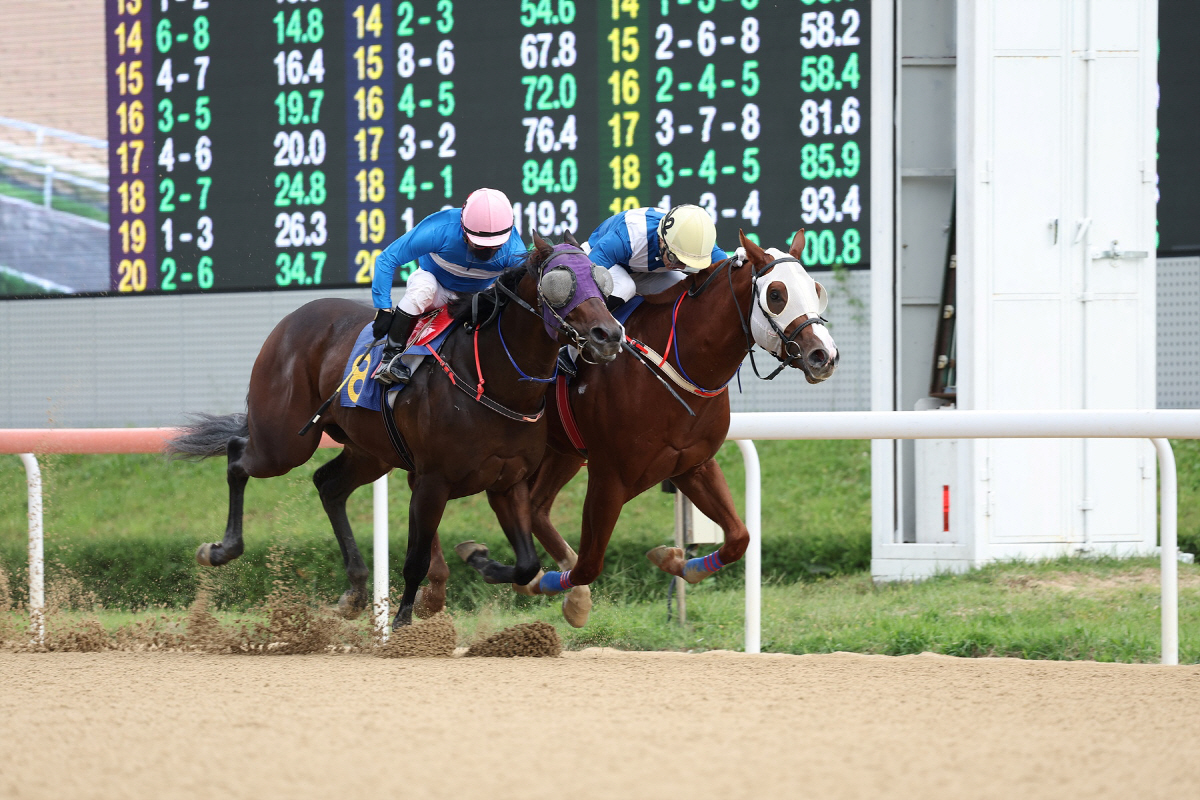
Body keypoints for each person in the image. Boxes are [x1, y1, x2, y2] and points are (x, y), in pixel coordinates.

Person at [370, 188, 528, 385]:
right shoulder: (439, 229)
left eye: (495, 246)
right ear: (462, 227)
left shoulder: (515, 251)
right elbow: (387, 259)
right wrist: (383, 307)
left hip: (478, 298)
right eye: (479, 244)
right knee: (423, 289)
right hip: (436, 287)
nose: (487, 251)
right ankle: (389, 358)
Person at [583, 204, 728, 310]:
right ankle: (573, 349)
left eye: (685, 263)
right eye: (674, 258)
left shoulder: (696, 244)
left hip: (642, 270)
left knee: (685, 292)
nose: (677, 267)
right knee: (625, 287)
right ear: (661, 240)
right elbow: (585, 275)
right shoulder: (626, 237)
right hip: (600, 260)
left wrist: (743, 262)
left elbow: (729, 268)